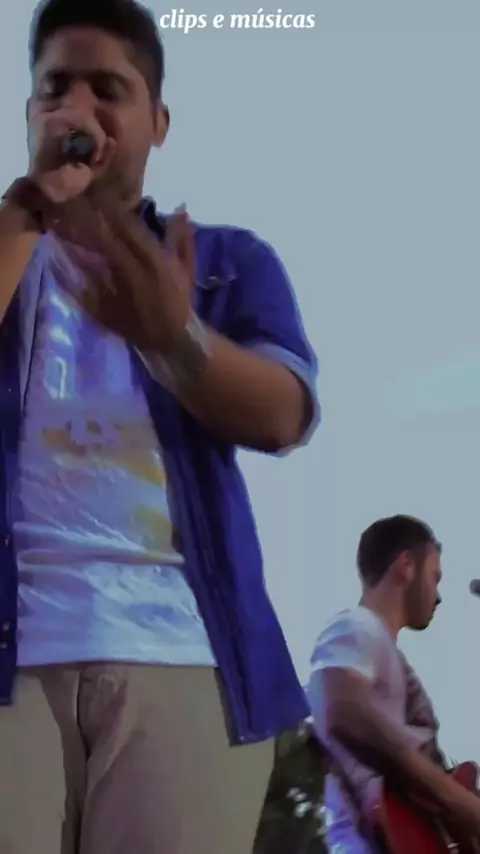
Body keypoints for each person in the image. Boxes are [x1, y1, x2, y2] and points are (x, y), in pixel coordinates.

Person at [0, 0, 319, 852]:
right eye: (55, 89)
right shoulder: (6, 248)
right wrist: (27, 209)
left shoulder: (225, 263)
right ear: (28, 112)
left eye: (109, 90)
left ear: (159, 123)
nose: (78, 109)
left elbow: (285, 416)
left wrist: (173, 337)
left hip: (181, 655)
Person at [307, 515, 480, 853]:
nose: (438, 596)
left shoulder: (379, 645)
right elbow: (343, 712)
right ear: (406, 565)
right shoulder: (356, 625)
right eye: (435, 577)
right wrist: (457, 801)